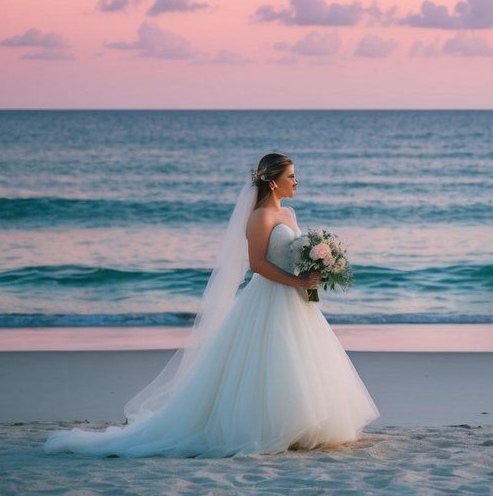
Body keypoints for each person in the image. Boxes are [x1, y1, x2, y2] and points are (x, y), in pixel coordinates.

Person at [44, 153, 378, 457]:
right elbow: (258, 265)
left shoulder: (289, 213)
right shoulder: (259, 217)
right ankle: (270, 428)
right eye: (291, 175)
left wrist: (312, 270)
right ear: (274, 181)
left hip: (296, 299)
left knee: (303, 361)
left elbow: (292, 254)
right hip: (267, 297)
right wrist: (298, 282)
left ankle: (303, 427)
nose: (297, 181)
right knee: (270, 363)